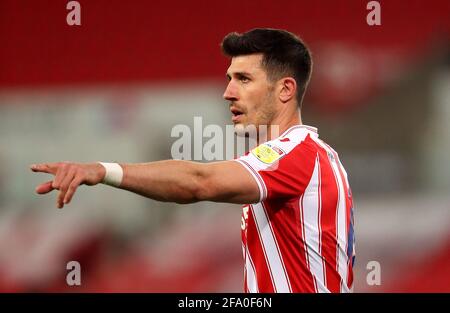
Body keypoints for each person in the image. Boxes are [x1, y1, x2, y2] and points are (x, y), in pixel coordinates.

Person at [31, 28, 355, 293]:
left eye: (243, 79)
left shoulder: (295, 153)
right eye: (229, 78)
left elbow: (200, 182)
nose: (228, 92)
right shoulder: (314, 156)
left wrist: (104, 170)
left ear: (285, 90)